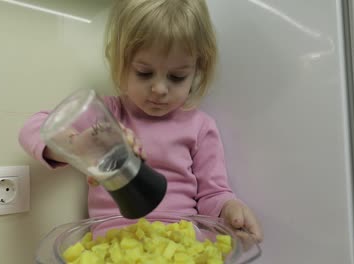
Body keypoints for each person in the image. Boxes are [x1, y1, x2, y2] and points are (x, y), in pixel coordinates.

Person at [19, 0, 263, 243]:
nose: (159, 89)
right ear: (121, 63)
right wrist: (76, 147)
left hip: (180, 246)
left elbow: (213, 193)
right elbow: (34, 128)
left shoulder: (200, 126)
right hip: (113, 247)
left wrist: (229, 208)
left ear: (198, 70)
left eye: (177, 77)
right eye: (144, 73)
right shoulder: (106, 114)